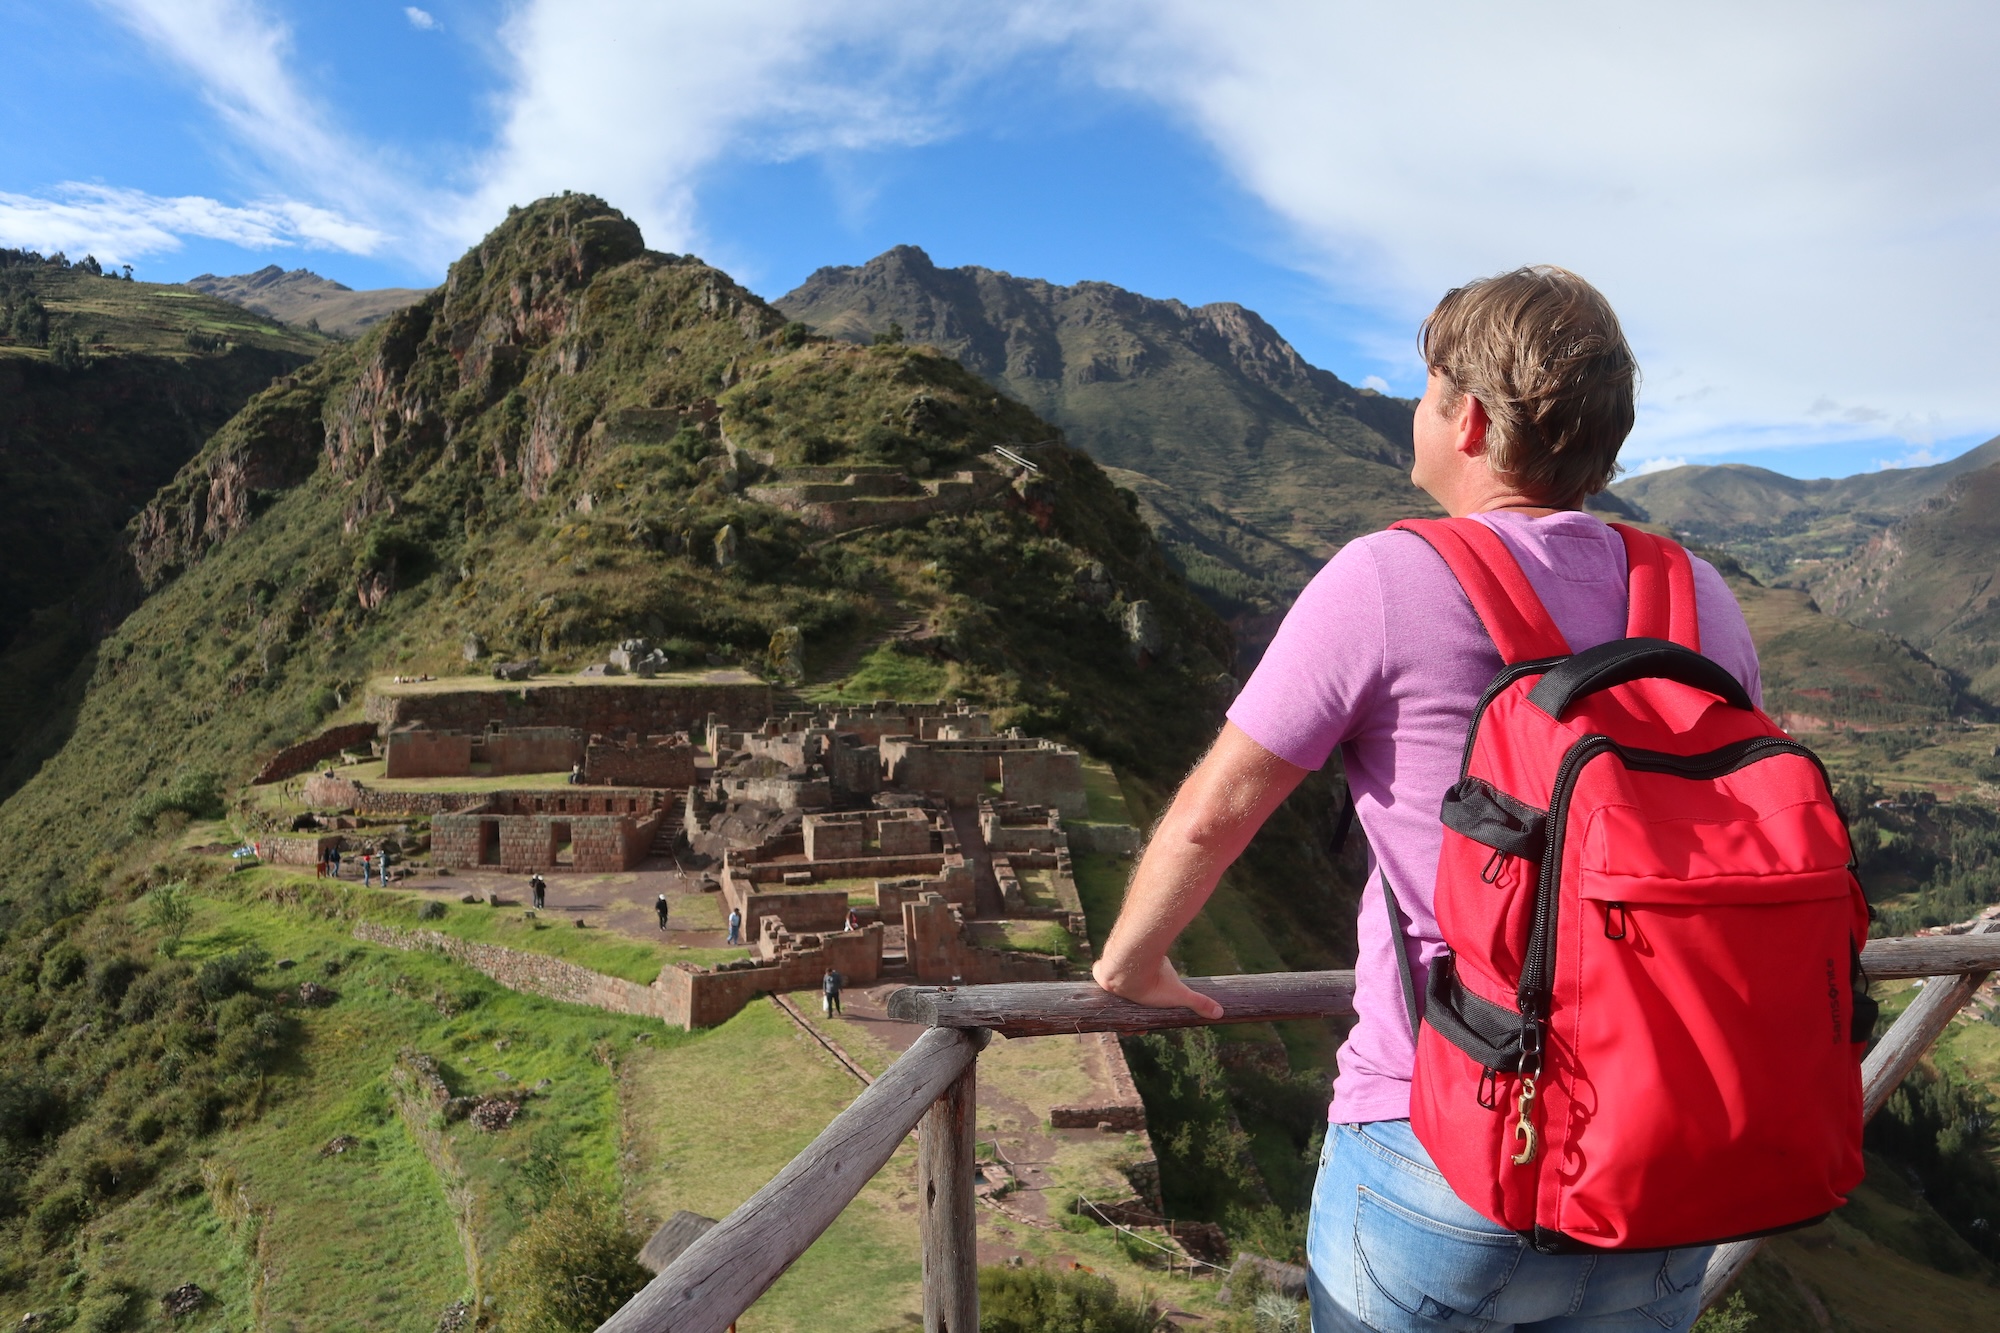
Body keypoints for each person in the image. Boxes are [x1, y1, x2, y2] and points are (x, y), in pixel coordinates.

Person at [1090, 267, 1757, 1333]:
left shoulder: (1387, 579)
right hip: (1665, 1154)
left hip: (1444, 1144)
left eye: (1425, 387)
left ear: (1472, 417)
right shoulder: (1698, 597)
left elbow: (1217, 811)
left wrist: (1131, 964)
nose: (1414, 409)